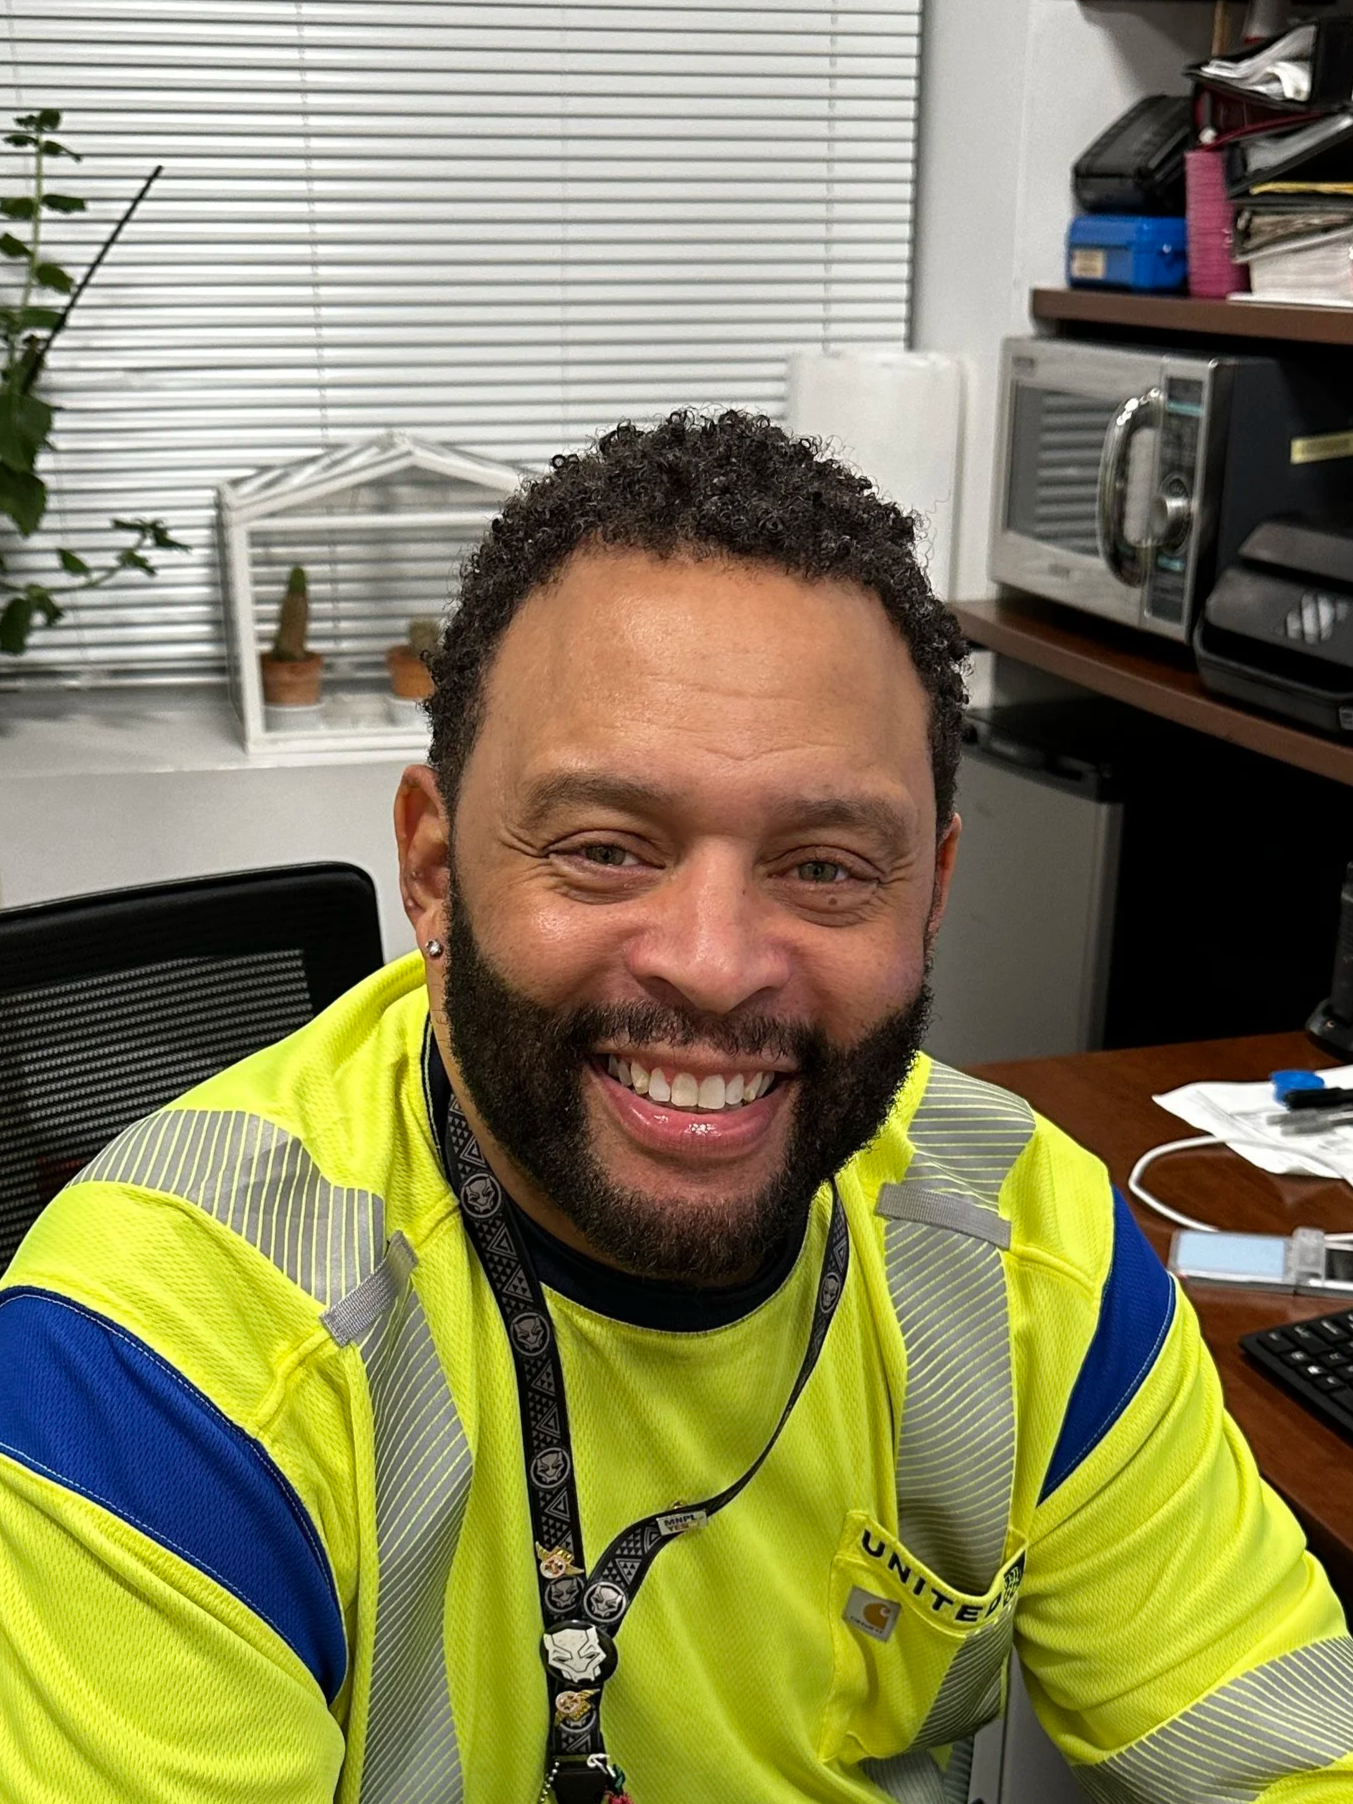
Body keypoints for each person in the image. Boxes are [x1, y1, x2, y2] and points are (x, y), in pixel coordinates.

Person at [0, 411, 1350, 1804]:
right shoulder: (159, 1364)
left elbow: (1290, 1752)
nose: (713, 964)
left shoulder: (1033, 1257)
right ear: (436, 869)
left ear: (933, 894)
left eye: (826, 868)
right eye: (602, 850)